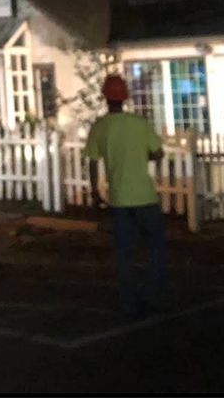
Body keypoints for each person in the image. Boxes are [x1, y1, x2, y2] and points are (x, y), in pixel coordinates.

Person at [84, 73, 167, 317]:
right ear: (126, 98)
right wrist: (146, 156)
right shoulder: (139, 124)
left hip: (119, 200)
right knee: (155, 248)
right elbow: (158, 153)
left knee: (124, 253)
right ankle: (151, 294)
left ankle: (129, 301)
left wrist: (95, 193)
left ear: (105, 98)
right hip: (145, 197)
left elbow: (91, 161)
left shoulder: (100, 127)